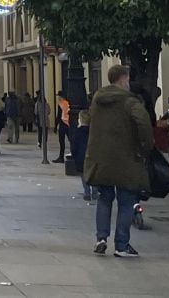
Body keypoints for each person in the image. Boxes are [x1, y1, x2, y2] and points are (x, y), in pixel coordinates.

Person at [84, 64, 154, 258]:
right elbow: (143, 124)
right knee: (126, 201)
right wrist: (145, 146)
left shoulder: (97, 100)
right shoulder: (130, 102)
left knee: (104, 198)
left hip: (101, 159)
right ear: (123, 79)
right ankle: (121, 245)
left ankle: (101, 238)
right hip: (126, 159)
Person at [72, 109, 94, 201]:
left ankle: (87, 191)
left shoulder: (77, 132)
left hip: (80, 157)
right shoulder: (93, 132)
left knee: (83, 176)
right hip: (92, 157)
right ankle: (95, 192)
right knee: (92, 175)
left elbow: (74, 145)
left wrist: (74, 155)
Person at [54, 90, 70, 163]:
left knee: (62, 142)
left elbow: (58, 115)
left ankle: (61, 157)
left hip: (62, 123)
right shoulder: (68, 103)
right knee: (71, 140)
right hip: (69, 124)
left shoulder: (61, 104)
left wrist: (55, 126)